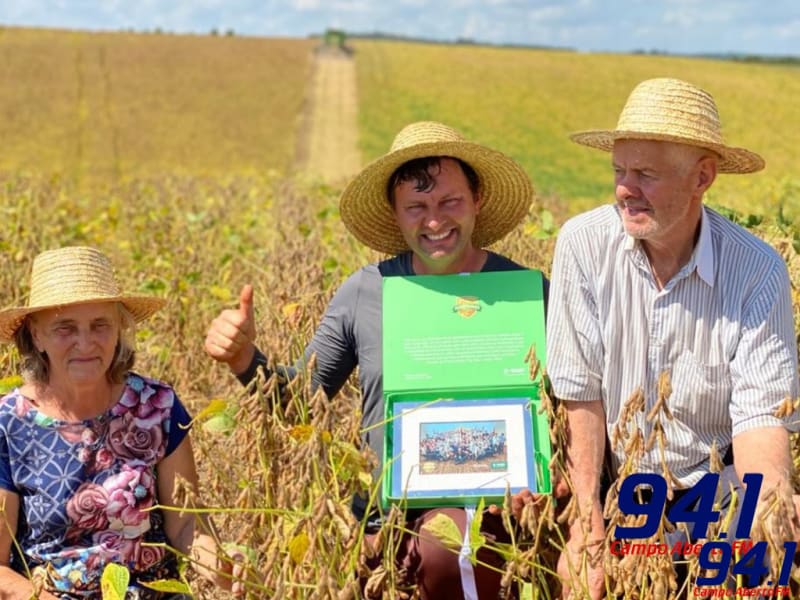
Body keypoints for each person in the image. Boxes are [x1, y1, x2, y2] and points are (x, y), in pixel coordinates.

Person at [204, 121, 550, 599]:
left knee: (455, 551)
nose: (434, 222)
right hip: (389, 521)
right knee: (440, 550)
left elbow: (571, 407)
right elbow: (302, 402)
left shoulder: (527, 293)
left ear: (478, 200)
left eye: (450, 202)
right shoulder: (366, 291)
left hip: (510, 513)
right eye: (416, 207)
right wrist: (246, 359)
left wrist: (550, 482)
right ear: (396, 214)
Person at [546, 77, 800, 598]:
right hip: (620, 486)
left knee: (773, 557)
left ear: (702, 177)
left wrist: (769, 510)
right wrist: (586, 526)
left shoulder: (756, 270)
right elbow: (580, 395)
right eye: (619, 171)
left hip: (718, 485)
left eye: (645, 174)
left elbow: (760, 418)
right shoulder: (582, 246)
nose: (625, 189)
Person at [0, 247, 246, 599]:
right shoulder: (9, 424)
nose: (85, 343)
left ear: (119, 329)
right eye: (65, 328)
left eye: (100, 325)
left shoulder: (156, 406)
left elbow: (186, 524)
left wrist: (220, 563)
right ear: (36, 335)